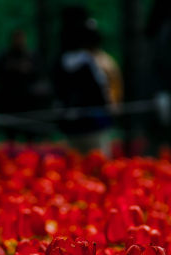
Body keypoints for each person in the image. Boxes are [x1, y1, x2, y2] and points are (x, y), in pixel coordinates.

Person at [53, 12, 113, 155]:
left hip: (75, 122)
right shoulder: (88, 62)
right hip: (90, 122)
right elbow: (101, 88)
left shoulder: (61, 62)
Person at [0, 29, 50, 141]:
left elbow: (39, 74)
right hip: (10, 102)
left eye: (21, 38)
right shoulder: (5, 57)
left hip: (29, 103)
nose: (19, 41)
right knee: (11, 135)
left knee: (30, 134)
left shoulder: (32, 56)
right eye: (16, 38)